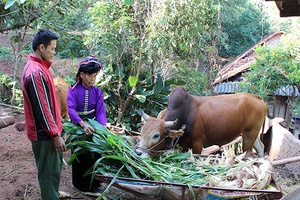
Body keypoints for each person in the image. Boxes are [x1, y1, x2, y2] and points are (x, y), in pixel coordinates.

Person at [21, 29, 66, 200]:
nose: (54, 52)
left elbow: (48, 102)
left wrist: (58, 119)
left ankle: (52, 195)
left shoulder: (40, 68)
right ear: (41, 47)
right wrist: (55, 134)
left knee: (51, 172)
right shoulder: (35, 73)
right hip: (45, 135)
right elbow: (41, 108)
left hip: (47, 131)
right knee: (48, 175)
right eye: (52, 49)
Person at [67, 55, 107, 193]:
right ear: (82, 74)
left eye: (94, 76)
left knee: (94, 154)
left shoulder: (97, 91)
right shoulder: (72, 90)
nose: (92, 79)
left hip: (93, 125)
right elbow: (71, 110)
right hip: (78, 125)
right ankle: (80, 185)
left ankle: (95, 184)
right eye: (90, 75)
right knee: (80, 154)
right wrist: (83, 125)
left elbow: (101, 111)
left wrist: (102, 129)